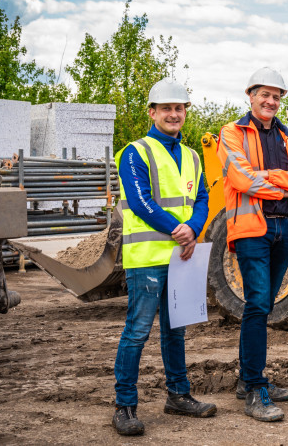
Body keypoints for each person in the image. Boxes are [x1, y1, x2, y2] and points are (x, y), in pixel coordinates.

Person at [112, 79, 216, 436]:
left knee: (176, 330)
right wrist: (179, 229)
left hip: (181, 257)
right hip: (148, 258)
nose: (174, 114)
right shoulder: (135, 152)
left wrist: (194, 228)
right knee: (137, 332)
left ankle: (178, 395)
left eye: (180, 108)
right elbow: (140, 202)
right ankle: (124, 406)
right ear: (153, 112)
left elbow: (202, 198)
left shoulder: (191, 156)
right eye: (167, 108)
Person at [217, 67, 288, 422]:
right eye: (265, 95)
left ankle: (249, 380)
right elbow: (239, 177)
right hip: (251, 230)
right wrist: (285, 183)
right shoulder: (232, 132)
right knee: (258, 304)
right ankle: (255, 388)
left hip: (284, 230)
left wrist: (269, 181)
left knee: (264, 307)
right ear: (251, 95)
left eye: (277, 96)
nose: (271, 101)